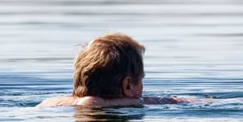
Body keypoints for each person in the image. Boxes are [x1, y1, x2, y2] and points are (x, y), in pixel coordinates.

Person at [38, 33, 186, 107]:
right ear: (127, 85)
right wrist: (140, 102)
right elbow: (90, 102)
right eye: (141, 80)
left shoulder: (52, 103)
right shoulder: (90, 103)